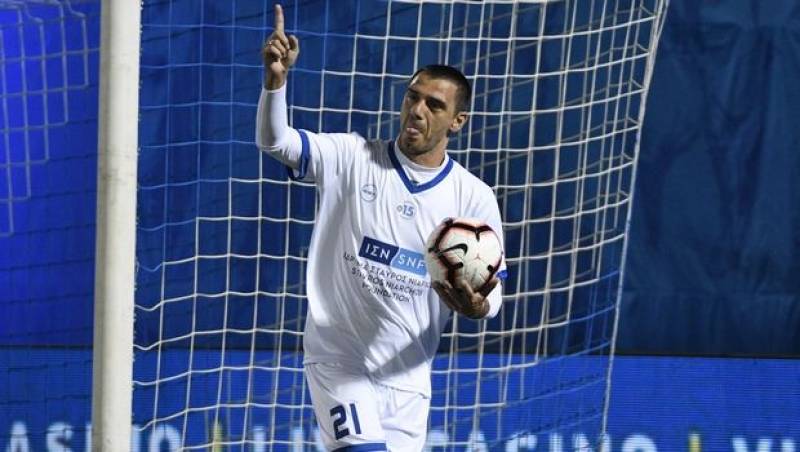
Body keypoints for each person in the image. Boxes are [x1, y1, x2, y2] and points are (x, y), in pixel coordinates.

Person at [256, 5, 506, 451]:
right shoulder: (351, 158)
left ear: (457, 121)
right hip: (340, 360)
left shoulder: (473, 197)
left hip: (408, 378)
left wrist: (478, 306)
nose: (417, 110)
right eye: (413, 97)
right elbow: (277, 142)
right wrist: (276, 83)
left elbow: (494, 288)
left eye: (434, 105)